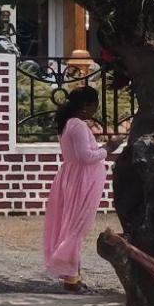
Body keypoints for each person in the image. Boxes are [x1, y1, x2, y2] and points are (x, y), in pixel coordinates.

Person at [43, 86, 126, 292]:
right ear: (86, 106)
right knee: (76, 228)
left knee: (74, 226)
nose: (96, 108)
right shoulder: (77, 125)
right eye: (95, 104)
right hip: (82, 181)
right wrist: (109, 148)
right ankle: (71, 278)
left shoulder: (69, 124)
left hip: (75, 178)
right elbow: (85, 157)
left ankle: (73, 277)